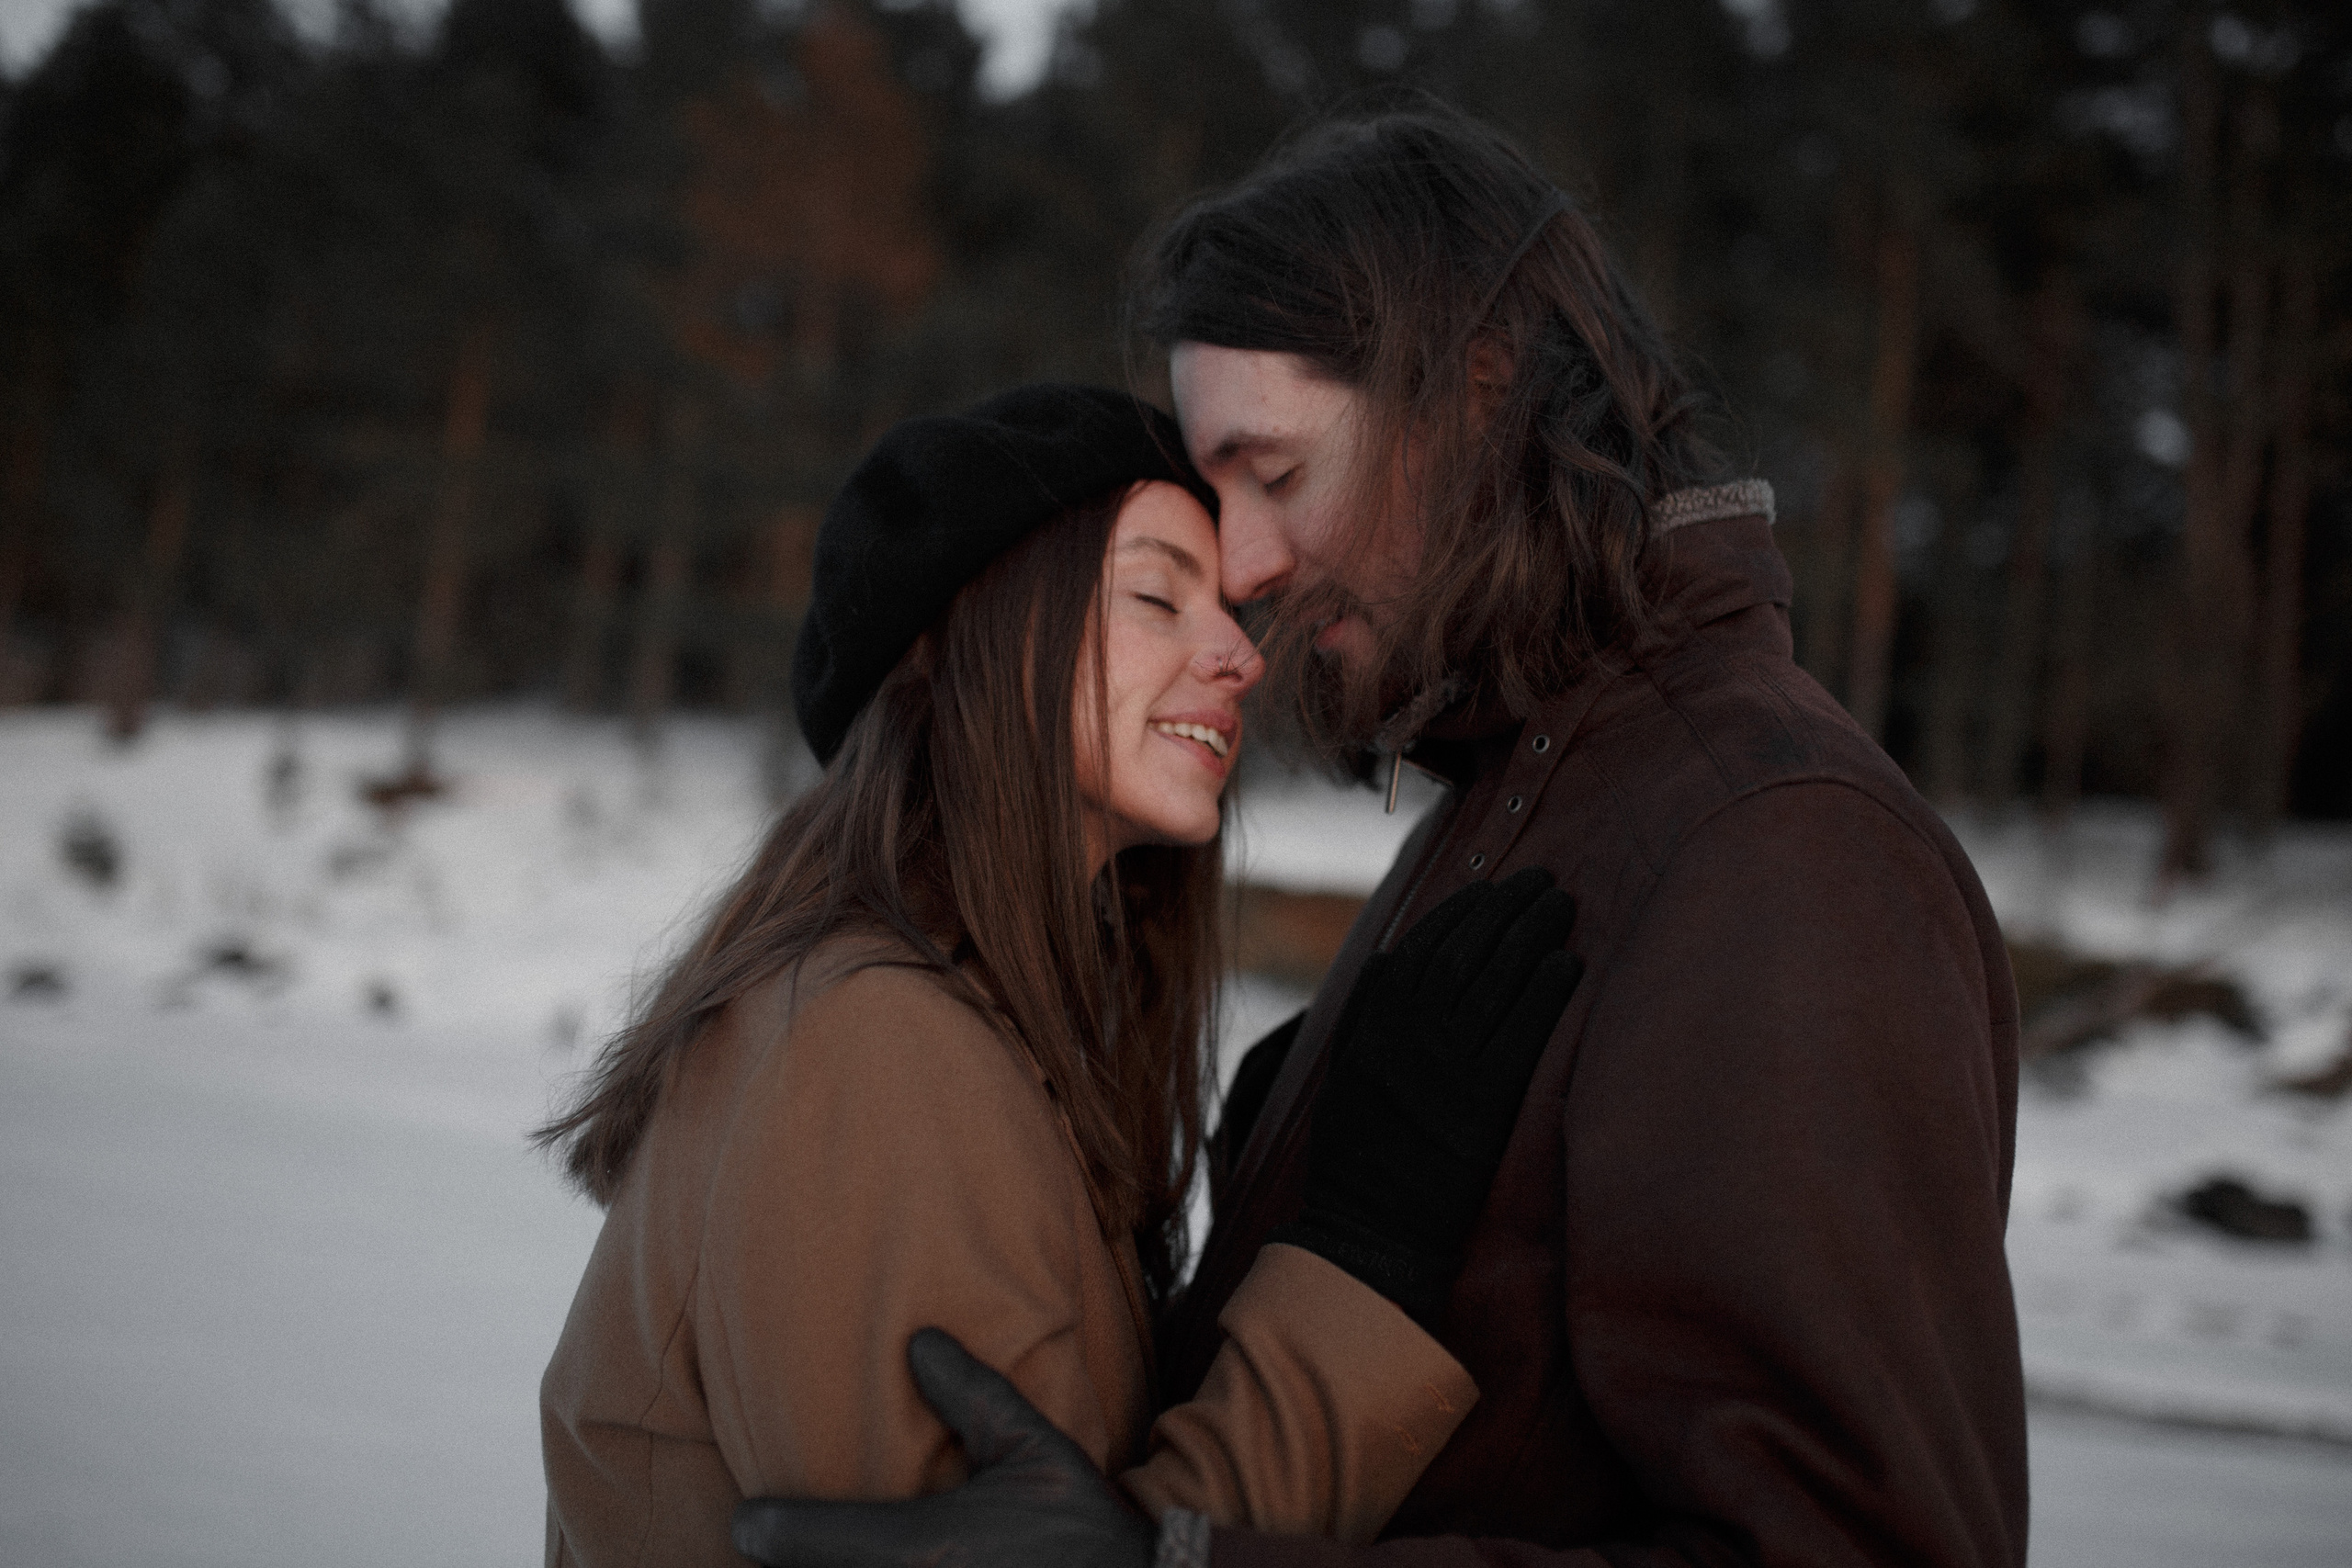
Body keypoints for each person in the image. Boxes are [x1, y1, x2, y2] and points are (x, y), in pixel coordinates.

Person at [732, 107, 2028, 1568]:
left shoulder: (1774, 846)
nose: (1245, 568)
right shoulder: (1524, 788)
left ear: (1476, 393)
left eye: (1274, 477)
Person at [533, 382, 1588, 1566]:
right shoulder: (874, 1048)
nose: (1242, 654)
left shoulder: (961, 1032)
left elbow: (1073, 1502)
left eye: (1232, 610)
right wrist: (1362, 1256)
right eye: (1155, 596)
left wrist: (1264, 1205)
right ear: (965, 640)